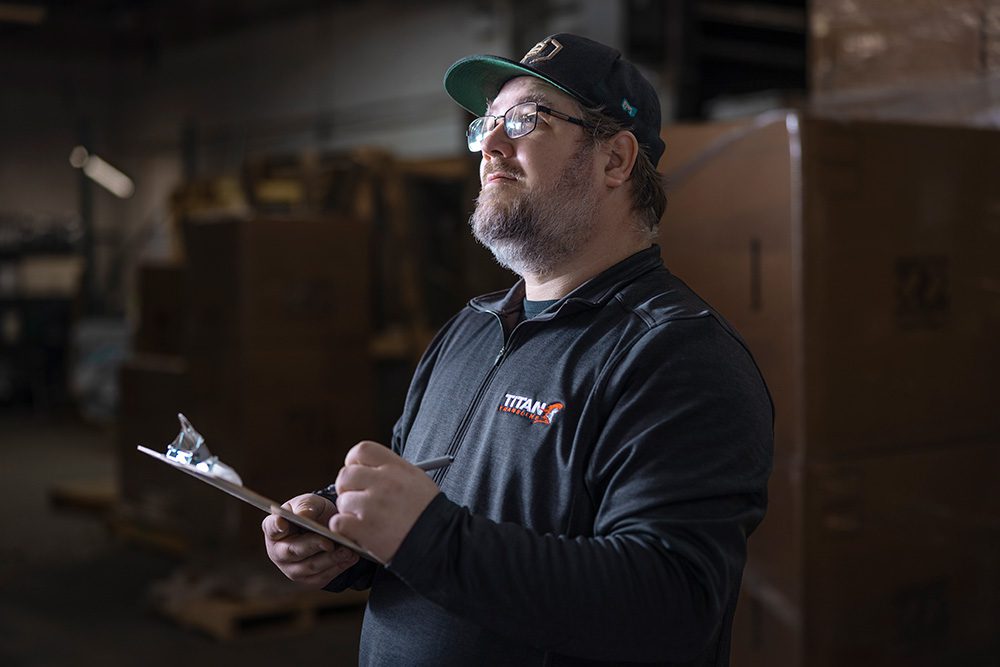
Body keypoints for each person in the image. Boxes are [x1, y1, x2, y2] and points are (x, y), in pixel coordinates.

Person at [263, 33, 773, 666]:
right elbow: (435, 499)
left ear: (615, 160)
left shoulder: (675, 354)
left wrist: (427, 536)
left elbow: (672, 607)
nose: (490, 147)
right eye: (487, 125)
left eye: (526, 120)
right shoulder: (469, 330)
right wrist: (343, 532)